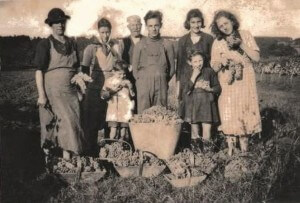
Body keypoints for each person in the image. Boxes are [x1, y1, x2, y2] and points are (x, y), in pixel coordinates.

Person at [34, 8, 86, 160]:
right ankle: (50, 158)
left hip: (70, 90)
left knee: (73, 121)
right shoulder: (45, 44)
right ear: (51, 25)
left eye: (62, 22)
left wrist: (80, 89)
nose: (60, 25)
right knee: (55, 122)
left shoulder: (72, 43)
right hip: (53, 90)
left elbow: (77, 69)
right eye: (56, 22)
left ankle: (67, 157)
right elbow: (39, 71)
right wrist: (42, 95)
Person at [210, 10, 262, 155]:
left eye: (226, 23)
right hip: (228, 82)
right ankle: (231, 152)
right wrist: (221, 61)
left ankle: (244, 152)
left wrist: (241, 44)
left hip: (245, 80)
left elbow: (256, 58)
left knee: (244, 111)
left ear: (232, 21)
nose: (224, 27)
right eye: (220, 26)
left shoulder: (245, 34)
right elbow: (213, 67)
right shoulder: (218, 42)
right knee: (229, 113)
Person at [81, 17, 122, 155]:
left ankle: (109, 151)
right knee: (92, 121)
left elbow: (119, 65)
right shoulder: (91, 48)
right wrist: (88, 88)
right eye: (102, 32)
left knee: (109, 119)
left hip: (111, 87)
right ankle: (90, 151)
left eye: (107, 32)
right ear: (98, 32)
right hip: (95, 88)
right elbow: (84, 71)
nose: (105, 35)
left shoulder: (115, 47)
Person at [132, 10, 175, 114]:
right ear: (146, 27)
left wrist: (163, 79)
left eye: (156, 25)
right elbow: (134, 69)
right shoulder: (140, 45)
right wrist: (142, 82)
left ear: (161, 25)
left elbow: (172, 68)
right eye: (150, 26)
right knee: (144, 114)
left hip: (161, 84)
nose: (153, 28)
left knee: (160, 114)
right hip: (144, 84)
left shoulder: (167, 44)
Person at [181, 50, 221, 152]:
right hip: (193, 106)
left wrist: (210, 89)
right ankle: (196, 154)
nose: (198, 63)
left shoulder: (209, 71)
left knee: (207, 131)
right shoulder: (187, 73)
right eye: (195, 61)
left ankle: (207, 156)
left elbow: (218, 88)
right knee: (195, 132)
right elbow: (185, 91)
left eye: (200, 60)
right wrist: (193, 76)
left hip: (207, 105)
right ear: (190, 62)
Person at [104, 60, 135, 140]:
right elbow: (103, 95)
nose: (122, 76)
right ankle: (112, 146)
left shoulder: (128, 82)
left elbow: (132, 95)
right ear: (113, 72)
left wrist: (130, 88)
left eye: (124, 74)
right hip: (113, 111)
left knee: (123, 132)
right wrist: (112, 91)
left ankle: (121, 146)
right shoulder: (109, 81)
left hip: (124, 111)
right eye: (119, 74)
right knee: (113, 130)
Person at [120, 15, 145, 113]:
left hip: (143, 79)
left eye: (138, 24)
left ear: (141, 25)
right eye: (133, 25)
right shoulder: (123, 42)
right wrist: (127, 66)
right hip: (128, 78)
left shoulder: (146, 41)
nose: (136, 27)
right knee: (129, 106)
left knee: (142, 104)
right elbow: (119, 61)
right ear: (128, 27)